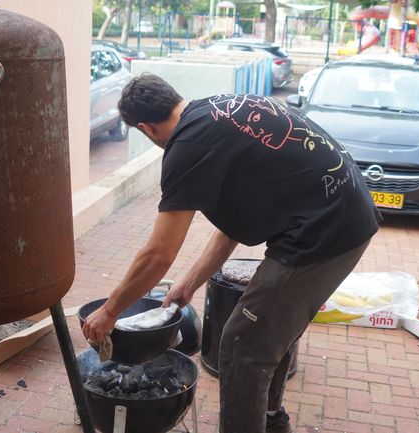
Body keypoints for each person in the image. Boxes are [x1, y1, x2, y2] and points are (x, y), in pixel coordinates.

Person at [82, 74, 381, 433]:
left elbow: (158, 255)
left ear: (145, 128)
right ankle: (270, 420)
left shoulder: (187, 146)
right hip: (346, 212)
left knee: (243, 344)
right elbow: (231, 229)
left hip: (325, 232)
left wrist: (110, 311)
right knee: (270, 331)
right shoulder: (217, 113)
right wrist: (190, 283)